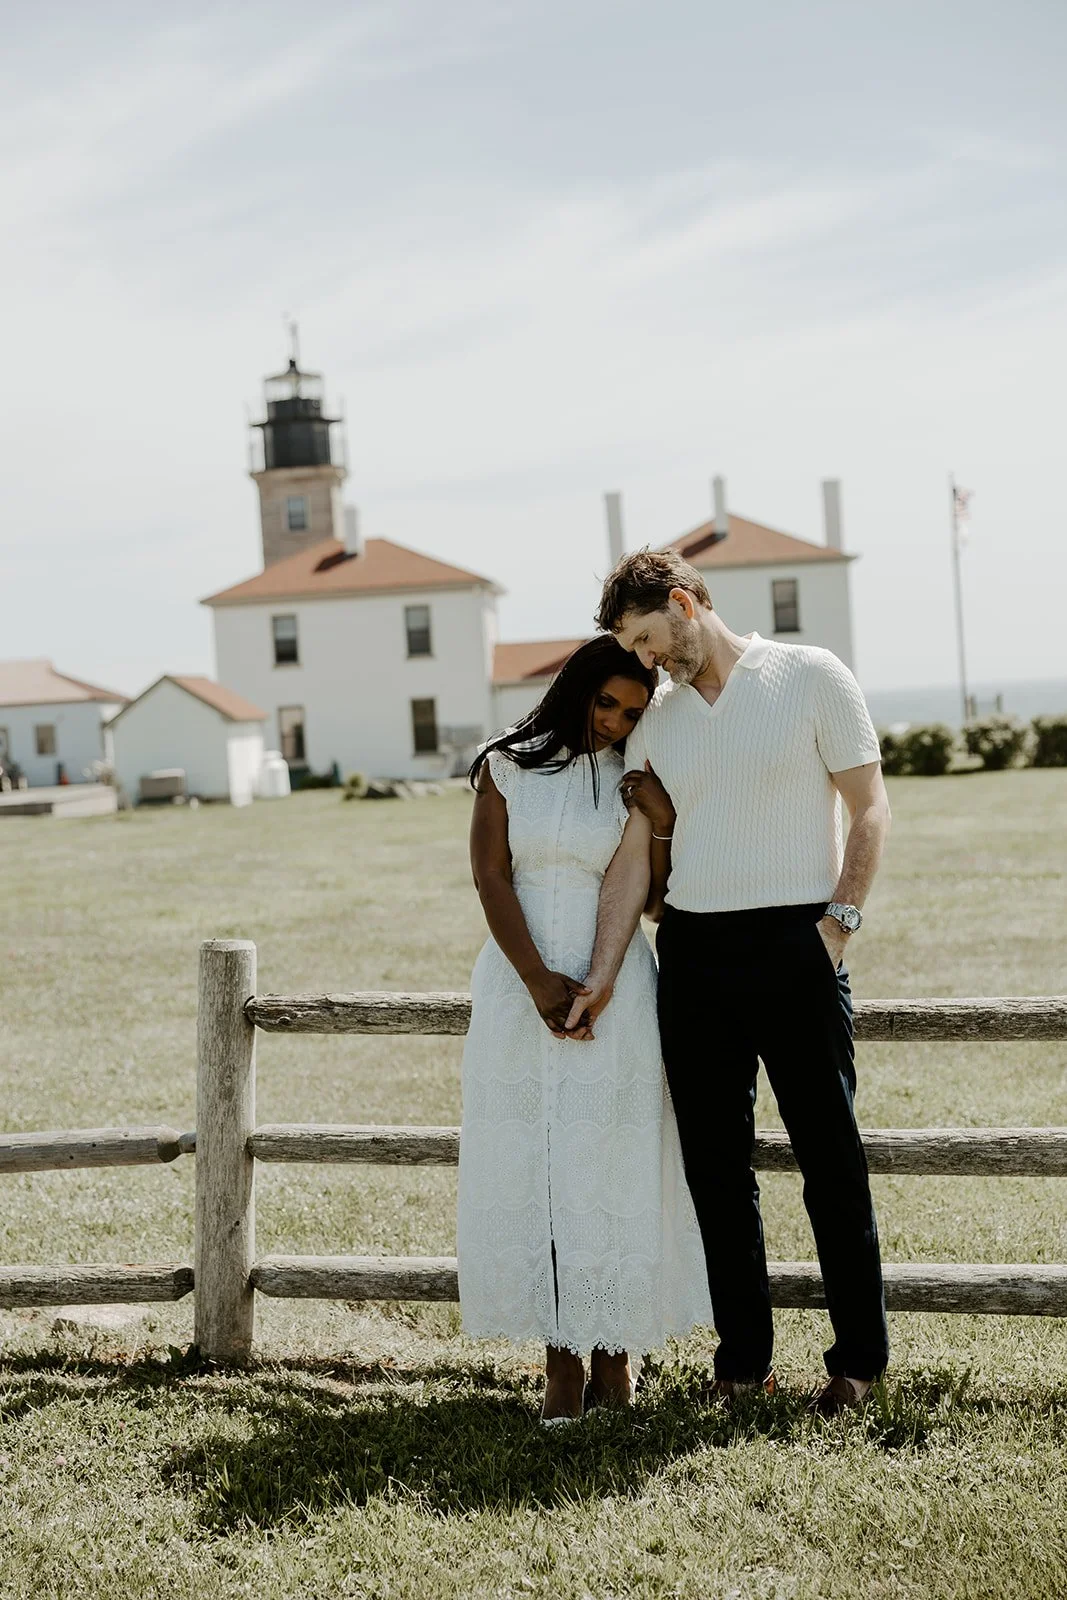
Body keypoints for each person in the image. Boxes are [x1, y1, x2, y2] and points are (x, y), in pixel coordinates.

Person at [569, 549, 892, 1415]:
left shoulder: (811, 674)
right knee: (715, 1172)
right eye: (630, 649)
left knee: (830, 1161)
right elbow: (634, 855)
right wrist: (603, 969)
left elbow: (868, 806)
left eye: (645, 638)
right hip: (695, 954)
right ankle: (742, 1365)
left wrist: (836, 928)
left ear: (683, 604)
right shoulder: (657, 720)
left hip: (799, 942)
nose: (643, 660)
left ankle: (858, 1365)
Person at [457, 635, 711, 1424]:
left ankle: (614, 1353)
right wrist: (536, 979)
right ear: (576, 690)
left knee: (610, 1163)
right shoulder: (504, 765)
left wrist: (660, 822)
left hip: (618, 987)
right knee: (537, 1166)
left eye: (632, 712)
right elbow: (490, 876)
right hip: (518, 982)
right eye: (606, 703)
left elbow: (654, 898)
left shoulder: (637, 775)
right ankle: (559, 1364)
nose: (615, 722)